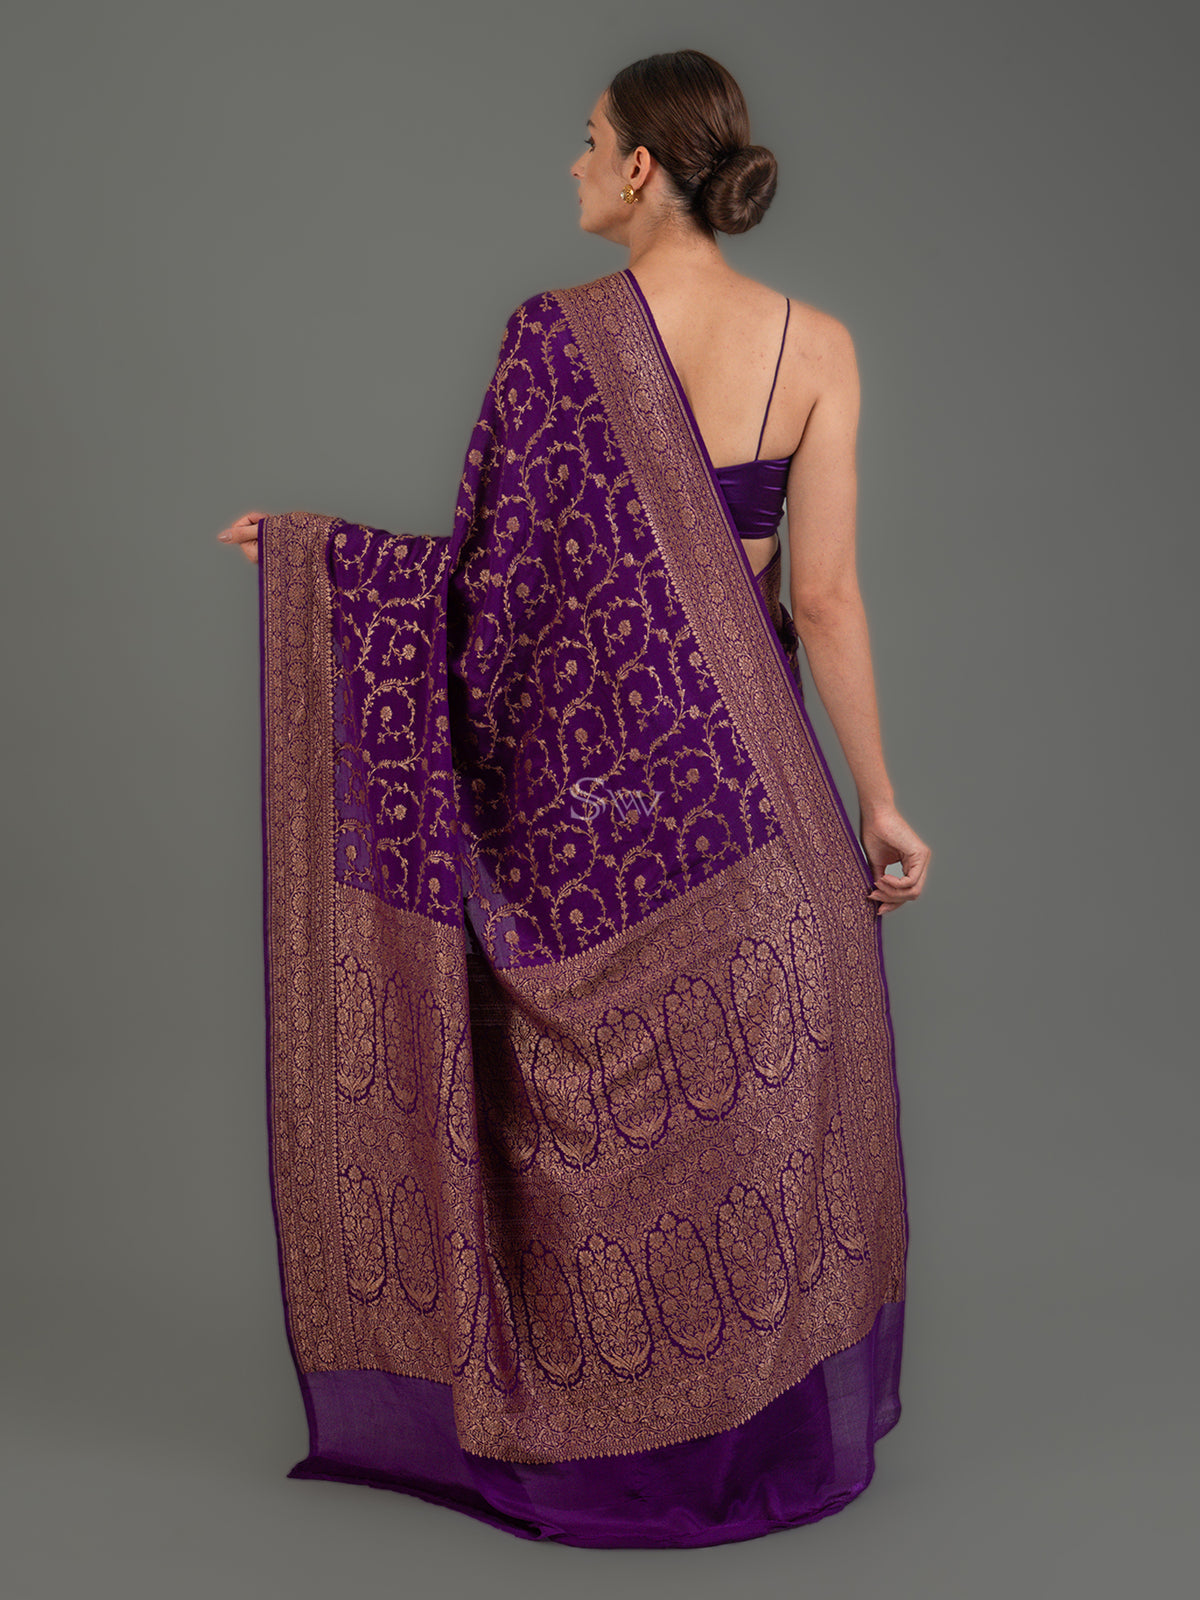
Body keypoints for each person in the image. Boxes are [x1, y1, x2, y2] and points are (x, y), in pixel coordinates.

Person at [218, 48, 930, 1549]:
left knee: (597, 1132)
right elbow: (827, 599)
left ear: (643, 169)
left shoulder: (556, 339)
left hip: (589, 822)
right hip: (760, 818)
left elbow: (486, 600)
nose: (573, 162)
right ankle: (739, 1453)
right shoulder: (819, 345)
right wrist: (880, 803)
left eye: (589, 139)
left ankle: (609, 1446)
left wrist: (325, 568)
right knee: (750, 1134)